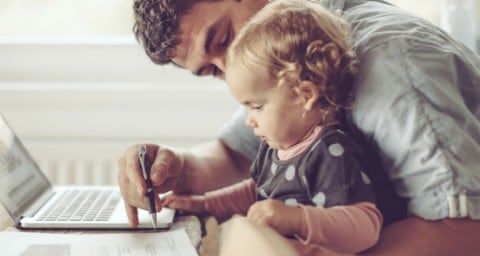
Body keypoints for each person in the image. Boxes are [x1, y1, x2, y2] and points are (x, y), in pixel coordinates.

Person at [118, 0, 480, 255]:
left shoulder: (390, 64)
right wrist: (172, 168)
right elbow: (236, 154)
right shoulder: (285, 65)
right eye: (213, 71)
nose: (230, 71)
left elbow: (465, 233)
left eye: (224, 39)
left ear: (308, 94)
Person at [161, 0, 383, 253]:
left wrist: (296, 218)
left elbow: (366, 226)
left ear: (304, 95)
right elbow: (256, 191)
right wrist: (204, 205)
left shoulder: (331, 151)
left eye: (255, 107)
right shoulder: (276, 148)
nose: (249, 120)